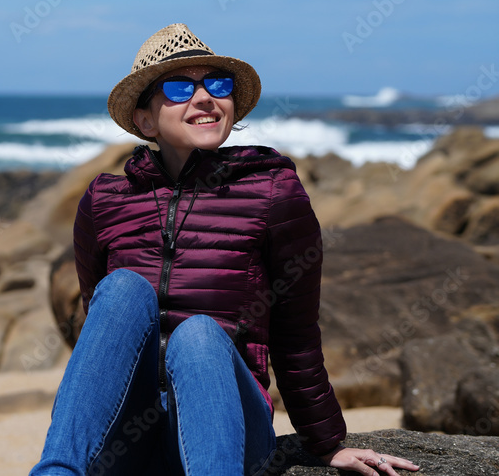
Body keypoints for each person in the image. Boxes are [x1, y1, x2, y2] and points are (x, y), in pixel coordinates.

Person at [30, 24, 420, 476]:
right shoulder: (104, 200)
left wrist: (327, 443)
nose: (204, 98)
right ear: (145, 120)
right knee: (118, 292)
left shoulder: (273, 192)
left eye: (217, 84)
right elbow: (101, 329)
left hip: (229, 422)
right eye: (179, 87)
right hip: (127, 435)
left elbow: (296, 335)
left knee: (197, 334)